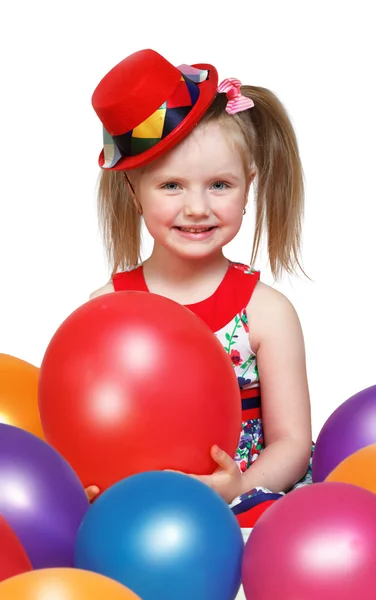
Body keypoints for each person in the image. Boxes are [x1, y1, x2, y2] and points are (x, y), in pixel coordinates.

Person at [84, 49, 314, 526]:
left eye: (219, 185)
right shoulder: (108, 311)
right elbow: (87, 422)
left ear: (249, 185)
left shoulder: (265, 312)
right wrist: (88, 477)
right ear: (133, 192)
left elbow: (292, 441)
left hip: (245, 510)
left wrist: (241, 488)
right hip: (140, 513)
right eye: (171, 186)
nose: (196, 208)